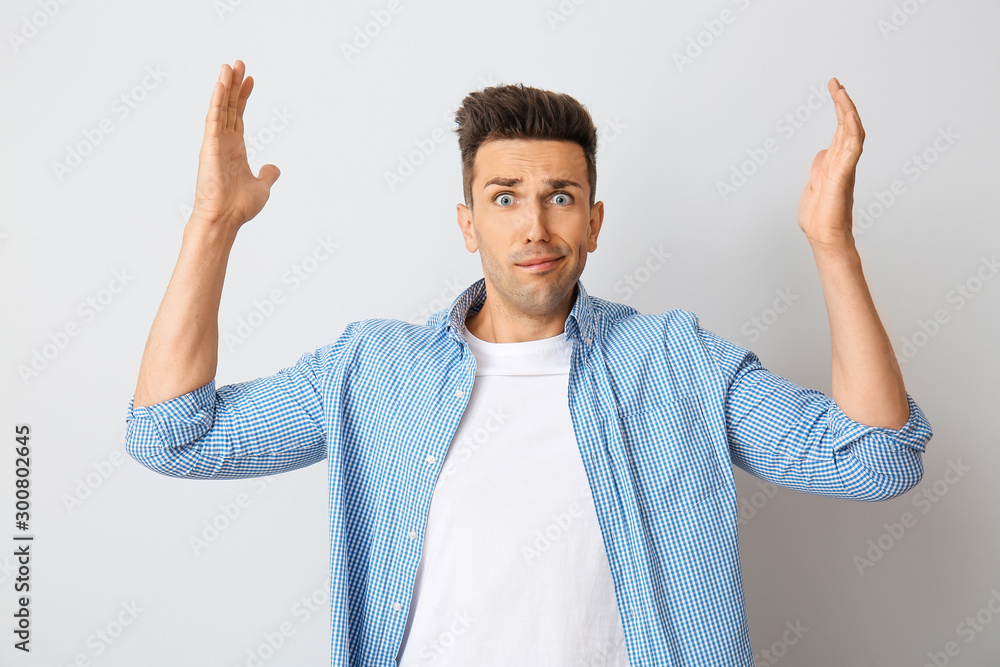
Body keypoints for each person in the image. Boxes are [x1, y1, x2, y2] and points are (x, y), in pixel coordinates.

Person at [125, 60, 933, 666]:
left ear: (594, 220)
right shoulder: (370, 371)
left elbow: (876, 459)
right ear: (468, 223)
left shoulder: (677, 362)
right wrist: (212, 224)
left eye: (561, 196)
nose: (535, 226)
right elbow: (171, 436)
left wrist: (831, 244)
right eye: (505, 196)